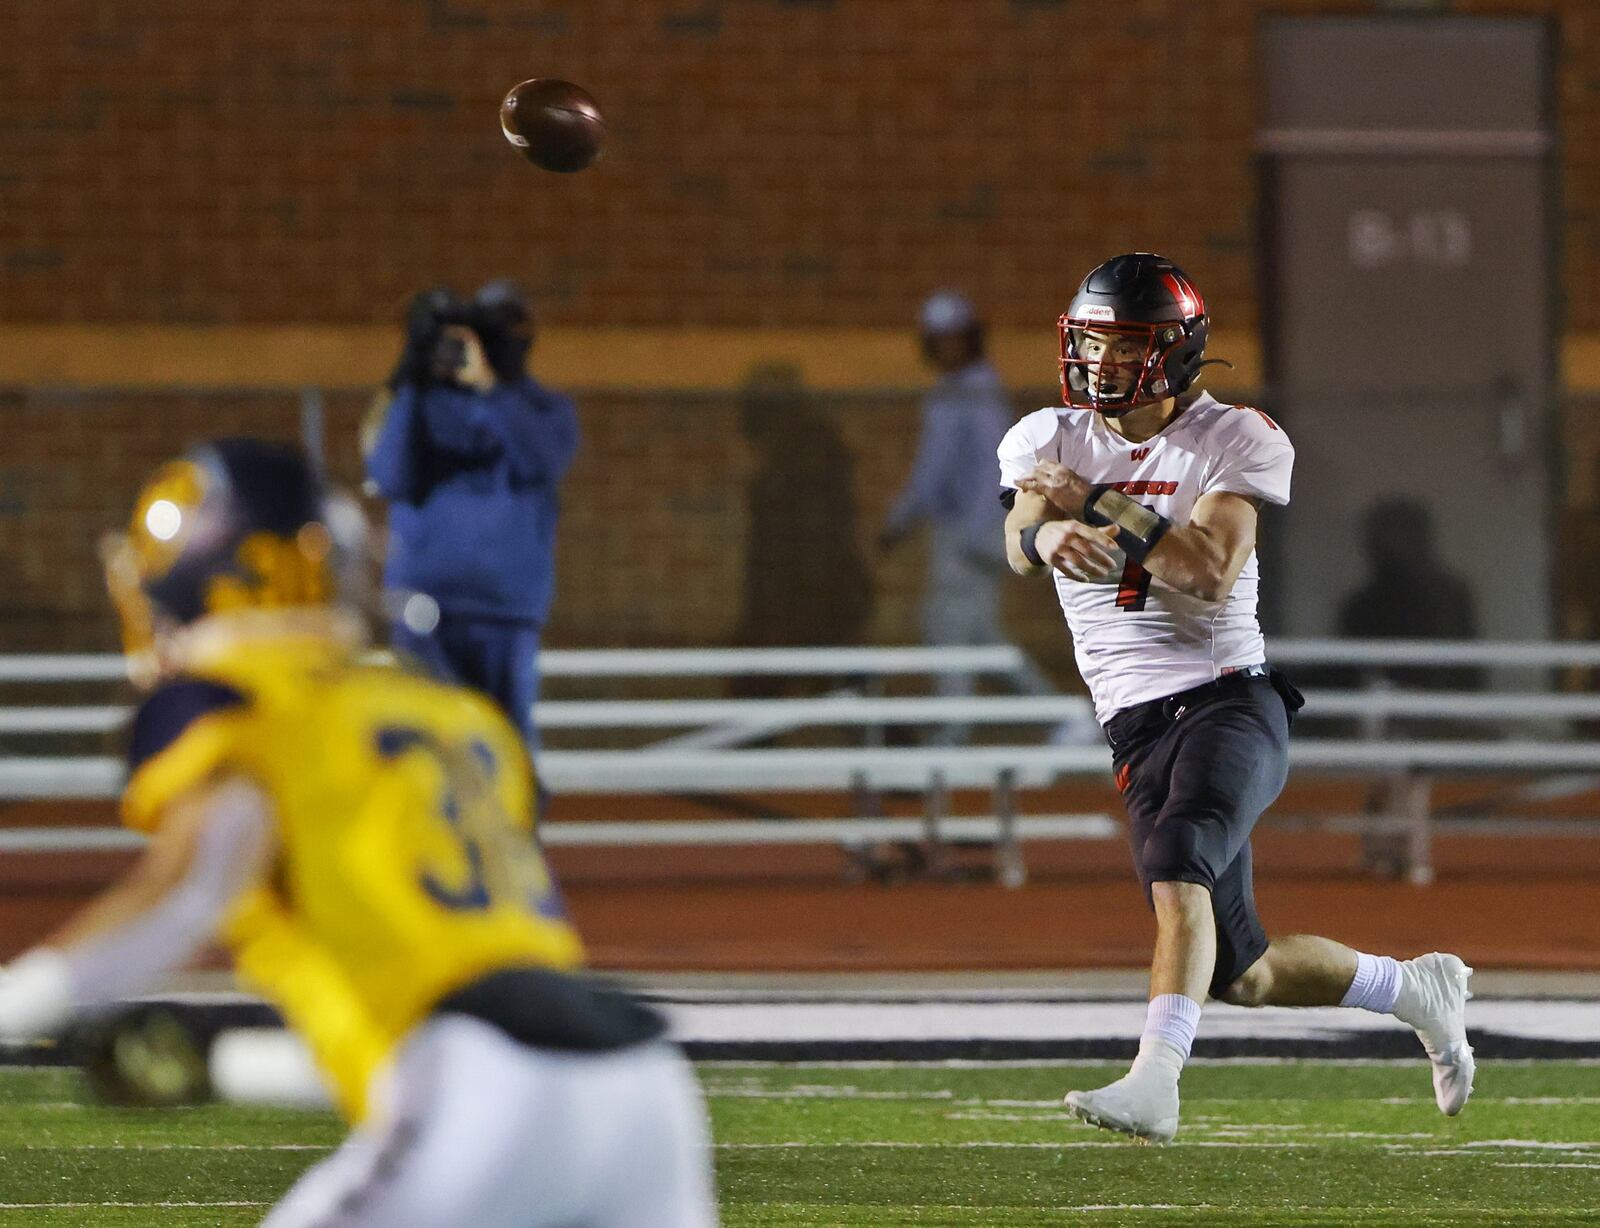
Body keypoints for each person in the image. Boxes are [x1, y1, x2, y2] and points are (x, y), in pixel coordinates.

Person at [0, 439, 717, 1226]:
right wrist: (222, 1063)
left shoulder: (239, 699)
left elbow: (191, 892)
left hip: (484, 1096)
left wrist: (17, 1004)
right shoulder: (448, 713)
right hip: (643, 1091)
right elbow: (448, 1017)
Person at [999, 253, 1475, 1143]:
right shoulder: (1047, 437)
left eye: (1126, 342)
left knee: (1179, 858)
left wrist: (1098, 503)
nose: (1102, 363)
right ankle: (1415, 988)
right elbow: (1018, 532)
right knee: (1241, 973)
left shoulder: (1234, 436)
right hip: (1135, 725)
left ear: (1176, 351)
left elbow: (1209, 573)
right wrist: (1051, 527)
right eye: (1093, 341)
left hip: (1226, 702)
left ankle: (1155, 1083)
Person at [366, 280, 579, 748]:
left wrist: (490, 389)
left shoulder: (545, 409)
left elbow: (538, 460)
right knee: (424, 745)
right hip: (425, 604)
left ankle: (508, 824)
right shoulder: (418, 406)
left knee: (504, 745)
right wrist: (413, 375)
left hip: (504, 607)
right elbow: (388, 475)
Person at [880, 292, 1063, 743]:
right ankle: (1062, 719)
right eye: (939, 340)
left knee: (947, 631)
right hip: (988, 529)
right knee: (978, 636)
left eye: (954, 338)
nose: (947, 348)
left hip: (966, 532)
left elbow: (933, 472)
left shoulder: (961, 394)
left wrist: (898, 522)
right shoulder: (984, 387)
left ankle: (954, 731)